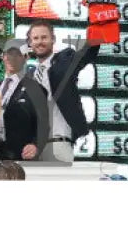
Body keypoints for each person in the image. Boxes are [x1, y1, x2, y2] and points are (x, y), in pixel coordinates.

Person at [26, 20, 100, 162]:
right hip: (33, 150)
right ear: (30, 42)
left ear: (53, 39)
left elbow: (87, 53)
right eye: (35, 38)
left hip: (58, 145)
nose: (40, 42)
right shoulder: (29, 75)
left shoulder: (64, 60)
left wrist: (98, 23)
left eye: (44, 37)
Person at [0, 45, 44, 161]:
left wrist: (36, 145)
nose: (11, 58)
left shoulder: (35, 88)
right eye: (8, 54)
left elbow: (44, 121)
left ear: (25, 58)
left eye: (16, 55)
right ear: (3, 57)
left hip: (20, 156)